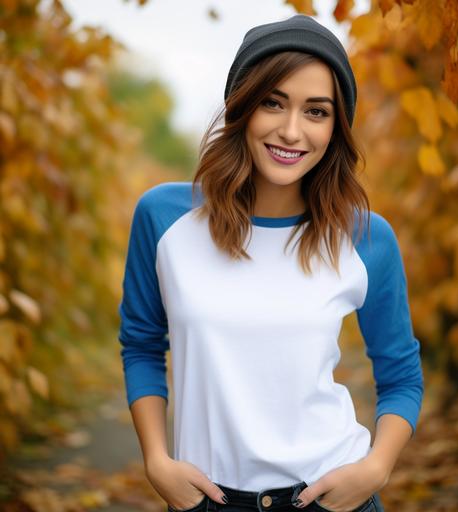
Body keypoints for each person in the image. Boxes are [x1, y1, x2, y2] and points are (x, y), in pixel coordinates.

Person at [117, 13, 424, 512]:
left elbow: (401, 373)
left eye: (316, 112)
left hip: (328, 499)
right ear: (242, 107)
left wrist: (375, 468)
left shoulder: (366, 238)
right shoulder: (164, 219)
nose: (291, 130)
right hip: (206, 500)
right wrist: (157, 460)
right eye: (272, 103)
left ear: (336, 126)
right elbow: (142, 345)